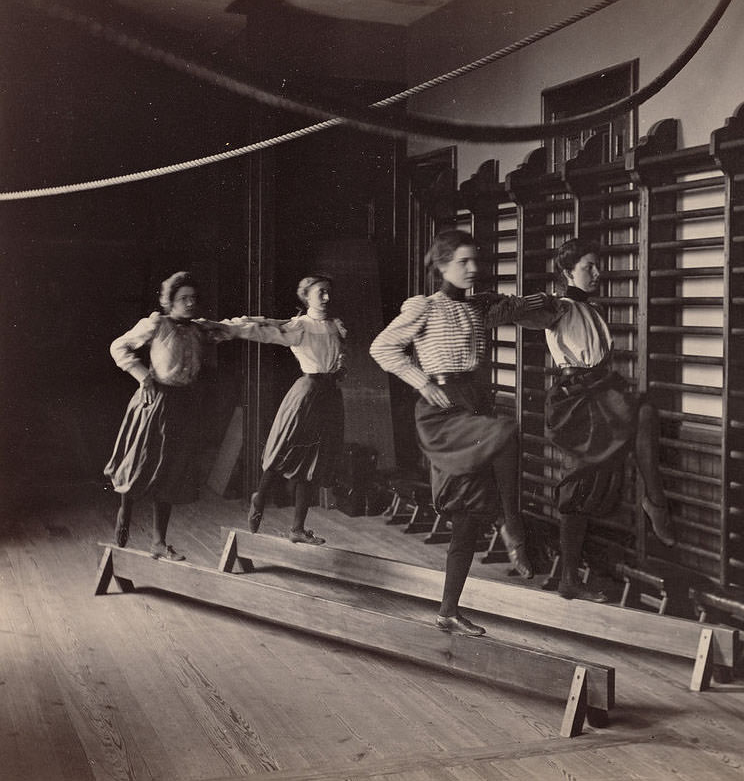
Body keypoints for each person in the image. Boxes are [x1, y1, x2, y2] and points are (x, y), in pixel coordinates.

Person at [370, 229, 545, 637]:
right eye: (463, 261)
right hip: (443, 410)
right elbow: (382, 348)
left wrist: (558, 299)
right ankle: (510, 522)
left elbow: (522, 307)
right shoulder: (424, 307)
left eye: (474, 260)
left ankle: (448, 611)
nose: (473, 268)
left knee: (467, 520)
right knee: (506, 430)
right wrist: (421, 382)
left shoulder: (477, 307)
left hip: (474, 404)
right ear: (442, 264)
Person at [538, 239, 676, 602]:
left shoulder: (591, 309)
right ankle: (654, 503)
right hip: (579, 399)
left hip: (600, 391)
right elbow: (532, 313)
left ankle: (653, 501)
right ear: (568, 272)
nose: (597, 273)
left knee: (641, 418)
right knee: (578, 482)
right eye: (588, 267)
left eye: (597, 266)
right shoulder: (561, 307)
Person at [105, 271, 233, 560]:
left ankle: (159, 543)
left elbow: (237, 329)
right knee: (139, 463)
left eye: (193, 298)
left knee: (171, 472)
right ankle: (125, 509)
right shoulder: (156, 324)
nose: (190, 303)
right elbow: (118, 346)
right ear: (169, 301)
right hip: (155, 402)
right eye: (183, 298)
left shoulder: (200, 329)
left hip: (184, 405)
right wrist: (142, 376)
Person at [211, 275, 347, 545]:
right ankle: (259, 496)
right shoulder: (299, 326)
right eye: (321, 292)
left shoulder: (335, 325)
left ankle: (297, 528)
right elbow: (260, 331)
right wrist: (229, 328)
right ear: (306, 296)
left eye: (329, 292)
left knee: (314, 461)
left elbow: (340, 355)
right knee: (285, 448)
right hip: (307, 393)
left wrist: (341, 365)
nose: (327, 298)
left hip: (330, 397)